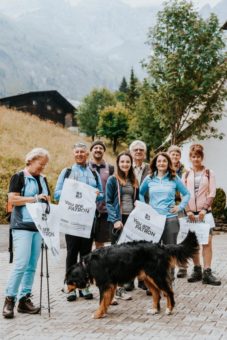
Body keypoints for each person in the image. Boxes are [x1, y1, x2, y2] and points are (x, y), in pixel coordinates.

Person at [2, 148, 50, 319]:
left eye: (44, 165)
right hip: (22, 226)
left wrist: (46, 201)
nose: (42, 168)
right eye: (40, 164)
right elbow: (12, 199)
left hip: (38, 228)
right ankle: (9, 300)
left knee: (31, 266)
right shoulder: (19, 177)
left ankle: (24, 300)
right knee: (20, 264)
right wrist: (35, 198)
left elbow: (47, 199)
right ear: (31, 160)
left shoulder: (43, 179)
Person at [54, 142, 103, 302]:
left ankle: (84, 286)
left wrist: (97, 193)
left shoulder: (94, 174)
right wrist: (71, 189)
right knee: (71, 254)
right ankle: (70, 288)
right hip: (71, 220)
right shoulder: (67, 172)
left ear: (87, 154)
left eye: (83, 152)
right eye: (77, 152)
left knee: (86, 256)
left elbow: (101, 195)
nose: (80, 154)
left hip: (89, 221)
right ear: (73, 154)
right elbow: (56, 194)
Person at [139, 152, 190, 280]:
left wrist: (180, 207)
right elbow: (140, 193)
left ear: (168, 163)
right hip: (154, 220)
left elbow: (187, 194)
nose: (161, 163)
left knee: (169, 251)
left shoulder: (174, 178)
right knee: (152, 251)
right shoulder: (149, 178)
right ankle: (153, 281)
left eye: (164, 161)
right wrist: (146, 208)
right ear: (155, 163)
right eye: (159, 161)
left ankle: (168, 280)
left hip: (170, 219)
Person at [183, 144, 221, 286]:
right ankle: (197, 269)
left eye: (198, 156)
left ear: (202, 157)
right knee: (194, 242)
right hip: (191, 214)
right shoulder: (186, 174)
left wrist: (205, 209)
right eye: (193, 156)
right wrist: (188, 210)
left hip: (205, 214)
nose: (196, 159)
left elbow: (212, 193)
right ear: (190, 158)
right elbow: (183, 194)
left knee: (207, 242)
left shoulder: (209, 173)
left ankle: (207, 271)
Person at [106, 151, 139, 302]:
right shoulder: (113, 180)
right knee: (115, 257)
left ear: (131, 164)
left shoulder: (133, 179)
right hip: (118, 221)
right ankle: (112, 291)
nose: (125, 164)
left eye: (128, 162)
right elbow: (108, 202)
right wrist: (115, 220)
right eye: (122, 162)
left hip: (130, 220)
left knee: (126, 256)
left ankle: (120, 288)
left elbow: (136, 199)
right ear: (118, 163)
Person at [129, 140, 150, 292]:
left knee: (144, 247)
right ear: (131, 152)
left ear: (145, 153)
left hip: (146, 212)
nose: (138, 152)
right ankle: (128, 279)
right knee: (130, 247)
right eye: (135, 150)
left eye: (141, 150)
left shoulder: (151, 169)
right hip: (129, 212)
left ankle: (143, 279)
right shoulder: (125, 166)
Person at [89, 140, 114, 249]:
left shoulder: (111, 168)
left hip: (103, 212)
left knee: (100, 243)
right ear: (91, 150)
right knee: (86, 243)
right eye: (96, 148)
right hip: (87, 210)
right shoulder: (85, 166)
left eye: (101, 148)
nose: (98, 150)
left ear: (104, 151)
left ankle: (98, 266)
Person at [168, 145, 187, 278]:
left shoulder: (184, 171)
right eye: (172, 154)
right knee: (170, 239)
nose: (175, 156)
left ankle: (183, 266)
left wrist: (180, 206)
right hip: (168, 208)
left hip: (180, 207)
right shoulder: (164, 167)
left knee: (182, 236)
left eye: (177, 154)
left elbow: (185, 191)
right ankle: (169, 266)